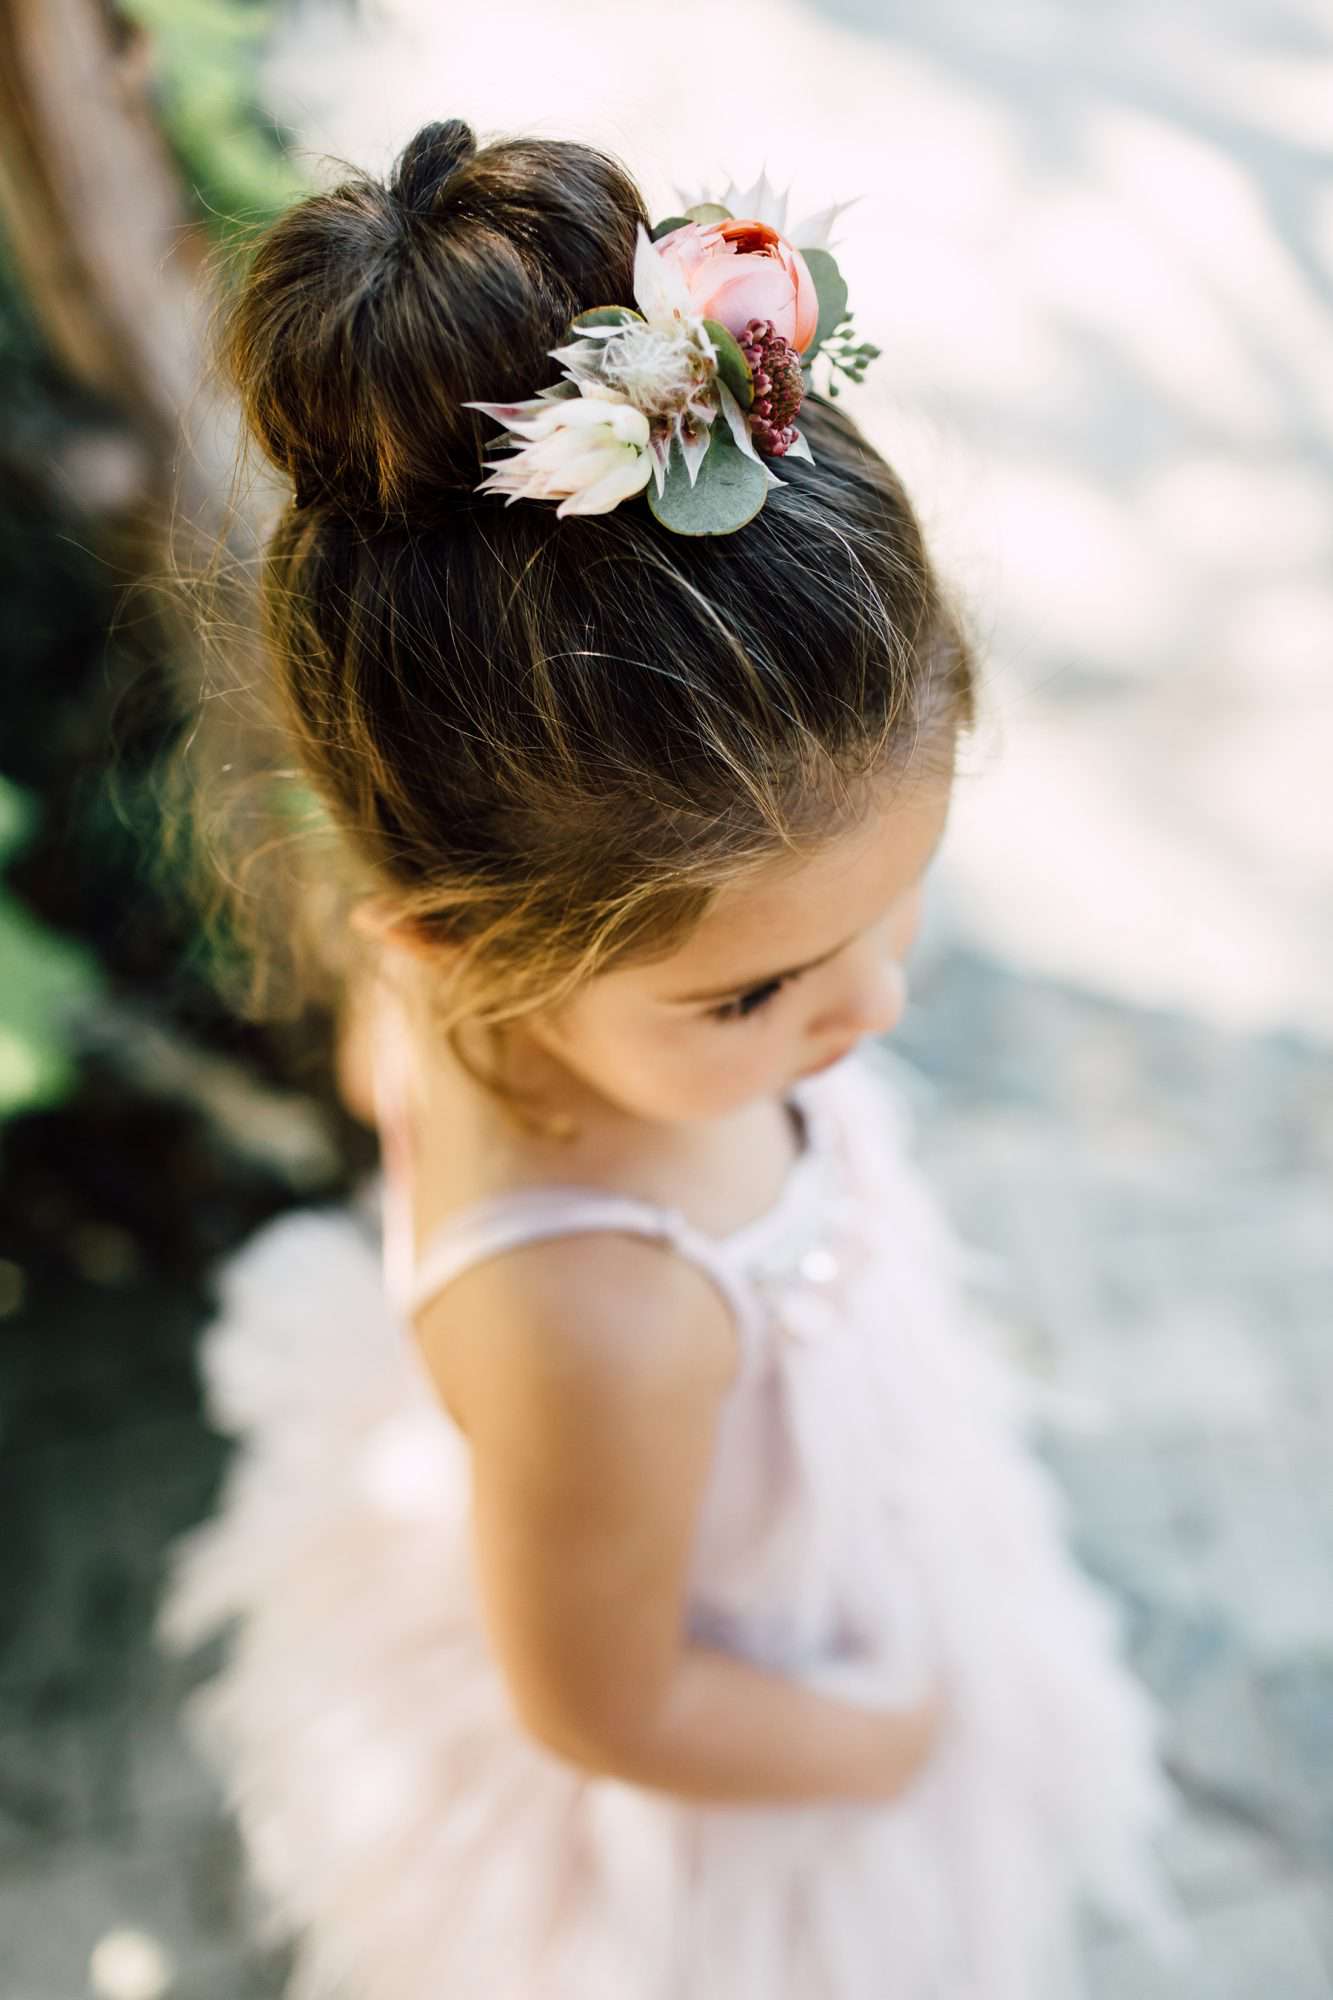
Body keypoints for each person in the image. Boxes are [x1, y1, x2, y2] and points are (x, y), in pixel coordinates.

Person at [158, 117, 1182, 2000]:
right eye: (753, 997)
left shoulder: (462, 990)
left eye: (895, 909)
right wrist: (889, 1743)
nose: (869, 1015)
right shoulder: (597, 1321)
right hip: (761, 1755)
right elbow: (609, 1705)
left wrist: (746, 1012)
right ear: (464, 943)